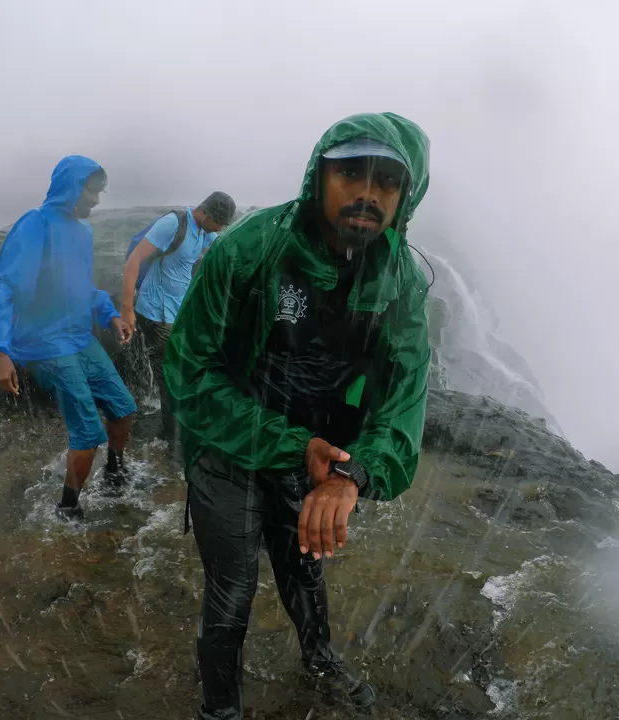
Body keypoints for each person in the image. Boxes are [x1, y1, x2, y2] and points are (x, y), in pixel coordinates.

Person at [164, 113, 431, 719]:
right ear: (319, 176)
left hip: (320, 457)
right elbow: (188, 371)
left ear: (406, 196)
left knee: (305, 570)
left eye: (387, 180)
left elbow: (405, 398)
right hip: (229, 445)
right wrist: (290, 443)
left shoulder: (399, 283)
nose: (368, 192)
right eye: (351, 172)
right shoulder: (251, 249)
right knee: (232, 594)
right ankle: (220, 711)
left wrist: (352, 473)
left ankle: (319, 659)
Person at [0, 155, 137, 520]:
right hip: (44, 342)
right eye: (92, 193)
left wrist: (111, 314)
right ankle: (68, 508)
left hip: (78, 336)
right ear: (72, 188)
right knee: (87, 433)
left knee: (123, 406)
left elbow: (81, 287)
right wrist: (0, 350)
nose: (97, 201)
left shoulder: (82, 232)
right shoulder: (35, 224)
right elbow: (3, 286)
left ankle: (114, 471)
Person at [120, 192, 235, 446]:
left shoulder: (204, 231)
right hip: (156, 312)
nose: (219, 228)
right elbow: (134, 260)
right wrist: (127, 309)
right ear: (205, 213)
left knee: (178, 367)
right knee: (173, 371)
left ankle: (170, 425)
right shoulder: (173, 224)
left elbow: (225, 248)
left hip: (177, 311)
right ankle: (171, 434)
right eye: (218, 222)